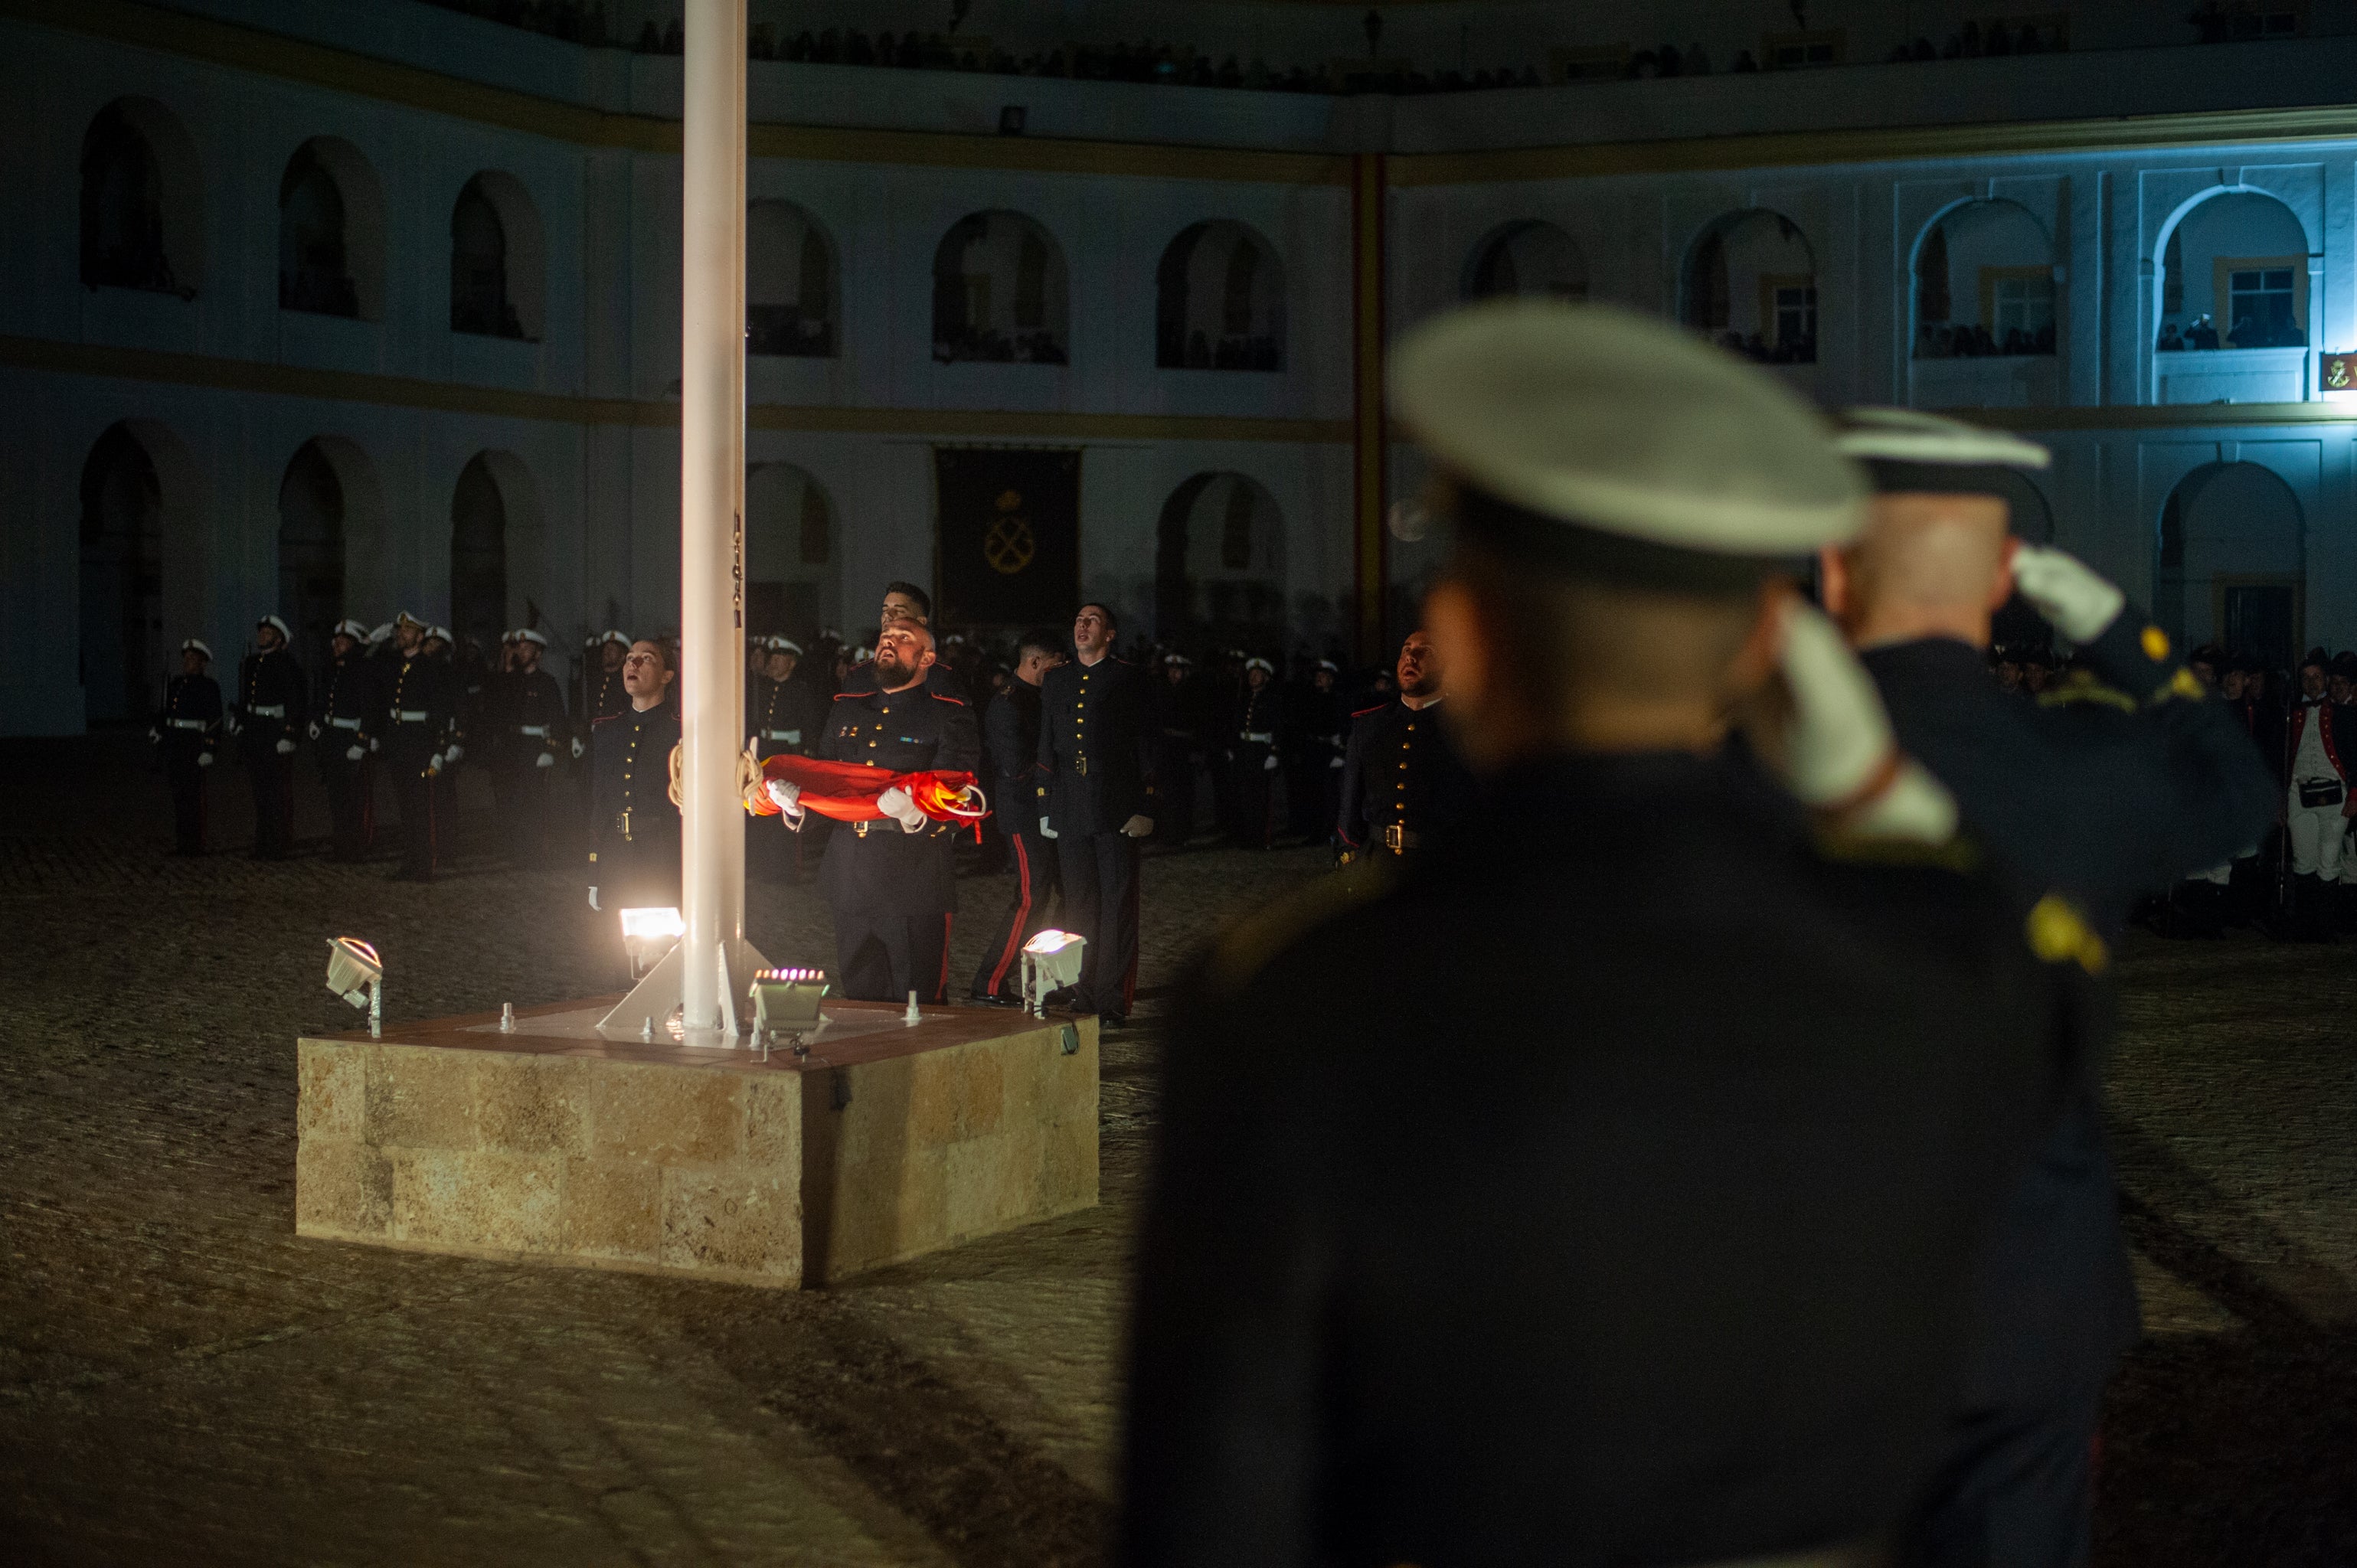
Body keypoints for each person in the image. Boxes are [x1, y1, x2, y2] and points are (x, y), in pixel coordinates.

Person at [1122, 301, 2092, 1568]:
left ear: (1460, 641)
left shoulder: (1296, 1002)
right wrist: (1872, 792)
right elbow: (2053, 994)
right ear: (1765, 642)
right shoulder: (1939, 962)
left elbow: (1213, 1501)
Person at [1819, 407, 2278, 1568]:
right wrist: (2123, 632)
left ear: (1832, 565)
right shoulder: (2079, 765)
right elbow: (2233, 791)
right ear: (1999, 585)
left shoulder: (1740, 762)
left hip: (1802, 1294)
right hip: (2026, 1299)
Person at [794, 619, 979, 1002]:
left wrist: (916, 815)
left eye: (903, 638)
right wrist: (796, 803)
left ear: (927, 658)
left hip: (911, 872)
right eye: (884, 637)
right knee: (861, 994)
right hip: (850, 870)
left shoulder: (945, 714)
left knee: (916, 999)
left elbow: (962, 793)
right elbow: (828, 779)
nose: (889, 643)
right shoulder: (848, 712)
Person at [1036, 603, 1156, 1024]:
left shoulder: (1128, 677)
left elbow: (1146, 742)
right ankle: (1082, 992)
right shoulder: (1057, 679)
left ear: (1110, 634)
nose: (1081, 626)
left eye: (1092, 621)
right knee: (1079, 904)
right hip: (1069, 800)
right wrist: (1045, 803)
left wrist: (1145, 805)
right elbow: (1047, 743)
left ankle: (1111, 999)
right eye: (1078, 620)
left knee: (1116, 904)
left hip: (1115, 801)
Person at [969, 629, 1064, 1004]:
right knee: (1030, 895)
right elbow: (1018, 767)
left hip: (1047, 811)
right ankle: (989, 982)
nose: (1060, 672)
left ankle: (1049, 978)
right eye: (1055, 665)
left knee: (1059, 893)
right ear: (1035, 662)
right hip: (1024, 814)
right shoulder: (1008, 704)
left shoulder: (1037, 698)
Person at [1335, 628, 1474, 862]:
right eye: (1406, 650)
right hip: (1378, 860)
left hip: (1442, 864)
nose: (1411, 657)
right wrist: (1347, 851)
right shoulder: (1369, 726)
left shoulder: (1465, 728)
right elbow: (1350, 802)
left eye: (1425, 651)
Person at [587, 639, 682, 914]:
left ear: (667, 676)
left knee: (663, 950)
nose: (634, 664)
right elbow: (600, 804)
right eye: (630, 658)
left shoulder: (682, 733)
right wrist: (594, 872)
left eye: (647, 659)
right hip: (616, 859)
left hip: (664, 860)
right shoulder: (607, 731)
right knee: (617, 951)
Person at [2280, 646, 2357, 939]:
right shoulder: (2292, 713)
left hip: (2335, 796)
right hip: (2299, 794)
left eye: (2316, 677)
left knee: (2329, 861)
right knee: (2303, 862)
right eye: (2306, 678)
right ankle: (2305, 924)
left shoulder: (2345, 714)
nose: (2312, 683)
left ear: (2325, 680)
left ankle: (2326, 927)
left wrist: (2355, 795)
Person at [380, 613, 455, 882]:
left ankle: (425, 864)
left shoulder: (429, 667)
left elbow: (440, 711)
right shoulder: (395, 664)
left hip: (420, 743)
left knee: (422, 808)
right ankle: (410, 861)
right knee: (405, 807)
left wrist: (438, 749)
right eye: (400, 629)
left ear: (420, 636)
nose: (401, 633)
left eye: (407, 630)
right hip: (399, 742)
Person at [232, 614, 307, 859]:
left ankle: (279, 843)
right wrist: (240, 719)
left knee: (277, 792)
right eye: (261, 631)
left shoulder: (286, 664)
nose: (262, 635)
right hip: (255, 730)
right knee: (260, 791)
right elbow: (246, 697)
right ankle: (263, 842)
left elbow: (295, 701)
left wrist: (290, 733)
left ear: (279, 638)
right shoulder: (252, 663)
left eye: (268, 632)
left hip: (275, 731)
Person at [492, 629, 567, 868]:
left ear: (538, 653)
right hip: (513, 746)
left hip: (534, 748)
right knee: (511, 799)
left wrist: (550, 750)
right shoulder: (512, 681)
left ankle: (533, 852)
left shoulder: (546, 683)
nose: (520, 652)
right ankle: (515, 849)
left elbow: (558, 720)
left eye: (526, 648)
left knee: (532, 802)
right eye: (519, 648)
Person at [747, 635, 820, 882]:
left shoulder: (800, 689)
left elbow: (810, 725)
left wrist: (806, 755)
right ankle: (762, 866)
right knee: (762, 808)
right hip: (766, 751)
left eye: (780, 658)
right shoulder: (765, 688)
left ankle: (784, 870)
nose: (774, 663)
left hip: (789, 753)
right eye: (773, 658)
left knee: (785, 811)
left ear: (791, 663)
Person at [311, 618, 378, 861]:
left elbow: (370, 708)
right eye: (336, 640)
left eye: (344, 641)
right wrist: (317, 721)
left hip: (351, 738)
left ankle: (358, 847)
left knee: (357, 798)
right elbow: (323, 698)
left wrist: (362, 741)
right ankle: (342, 845)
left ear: (355, 644)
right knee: (337, 798)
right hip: (333, 738)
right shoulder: (332, 668)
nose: (337, 644)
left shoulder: (363, 669)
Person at [152, 639, 221, 855]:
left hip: (194, 743)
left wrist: (209, 749)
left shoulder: (208, 686)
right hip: (176, 742)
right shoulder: (176, 684)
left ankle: (196, 843)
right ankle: (183, 842)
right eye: (186, 658)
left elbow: (215, 719)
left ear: (202, 663)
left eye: (193, 659)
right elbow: (167, 712)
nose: (188, 662)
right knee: (179, 796)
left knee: (194, 797)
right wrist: (159, 729)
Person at [1224, 657, 1284, 848]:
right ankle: (1247, 834)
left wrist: (1274, 753)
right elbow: (1237, 725)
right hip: (1245, 750)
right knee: (1245, 795)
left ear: (1266, 678)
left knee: (1260, 797)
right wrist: (1233, 748)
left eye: (1258, 675)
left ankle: (1260, 837)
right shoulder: (1244, 699)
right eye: (1251, 674)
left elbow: (1278, 727)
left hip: (1261, 751)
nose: (1253, 677)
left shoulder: (1272, 700)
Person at [1147, 654, 1204, 849]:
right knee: (1165, 792)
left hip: (1183, 747)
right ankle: (1166, 831)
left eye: (1177, 670)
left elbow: (1198, 723)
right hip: (1166, 747)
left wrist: (1196, 749)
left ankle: (1181, 832)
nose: (1174, 674)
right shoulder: (1162, 690)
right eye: (1171, 670)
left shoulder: (1192, 693)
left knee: (1183, 793)